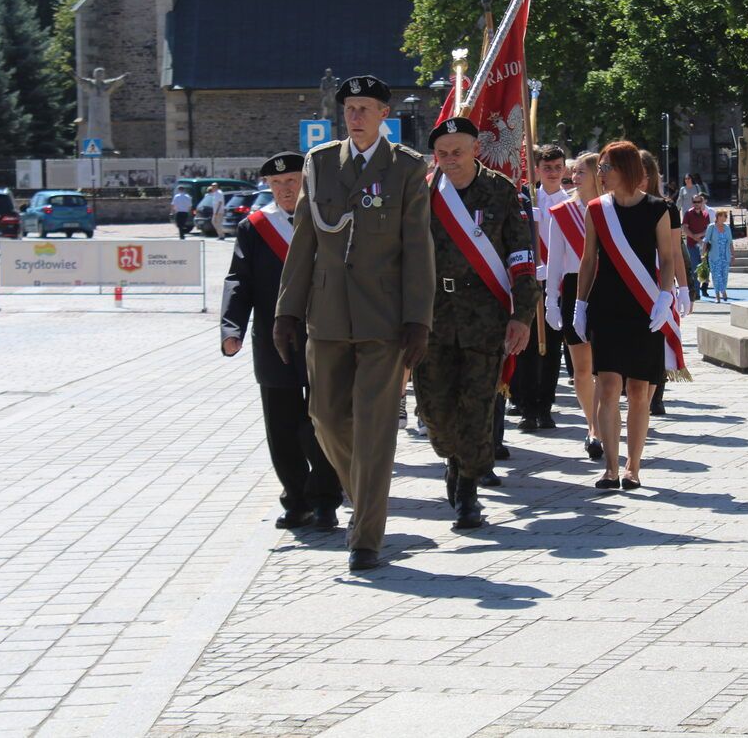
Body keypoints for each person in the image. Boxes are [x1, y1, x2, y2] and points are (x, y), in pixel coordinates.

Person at [274, 74, 436, 572]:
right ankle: (363, 495)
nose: (356, 116)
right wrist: (287, 310)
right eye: (349, 108)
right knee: (324, 417)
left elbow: (418, 248)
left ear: (385, 114)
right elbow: (304, 240)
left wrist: (418, 319)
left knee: (374, 428)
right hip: (326, 315)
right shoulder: (320, 163)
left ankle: (366, 536)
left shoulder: (406, 167)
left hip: (383, 319)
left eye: (365, 108)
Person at [414, 117, 540, 528]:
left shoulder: (501, 191)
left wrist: (522, 316)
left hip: (485, 316)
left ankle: (468, 489)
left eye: (458, 151)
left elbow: (522, 256)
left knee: (477, 405)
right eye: (442, 153)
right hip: (433, 315)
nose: (450, 159)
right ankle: (453, 458)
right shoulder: (423, 193)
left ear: (475, 150)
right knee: (434, 408)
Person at [221, 153, 342, 530]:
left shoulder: (327, 219)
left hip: (324, 335)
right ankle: (296, 499)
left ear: (306, 182)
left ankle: (325, 500)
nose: (284, 190)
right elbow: (239, 280)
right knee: (282, 426)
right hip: (275, 341)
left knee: (322, 423)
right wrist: (231, 328)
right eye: (276, 184)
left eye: (291, 181)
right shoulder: (255, 227)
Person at [576, 142, 684, 491]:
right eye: (600, 167)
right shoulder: (597, 209)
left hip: (645, 306)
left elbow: (667, 257)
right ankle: (610, 468)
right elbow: (588, 260)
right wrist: (580, 305)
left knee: (639, 390)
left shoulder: (657, 209)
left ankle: (632, 467)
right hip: (607, 306)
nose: (601, 174)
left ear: (627, 169)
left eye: (607, 167)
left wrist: (666, 295)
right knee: (608, 386)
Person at [545, 153, 604, 460]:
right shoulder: (562, 212)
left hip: (606, 290)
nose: (574, 177)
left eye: (581, 172)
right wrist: (551, 301)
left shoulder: (611, 209)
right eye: (574, 172)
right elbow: (554, 261)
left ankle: (604, 423)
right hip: (572, 289)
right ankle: (593, 426)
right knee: (581, 369)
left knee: (606, 368)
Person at [512, 143, 568, 431]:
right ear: (537, 170)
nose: (553, 173)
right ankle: (527, 407)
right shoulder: (526, 199)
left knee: (552, 347)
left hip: (556, 284)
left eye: (558, 168)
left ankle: (544, 407)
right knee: (527, 345)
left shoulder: (571, 204)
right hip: (529, 280)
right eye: (547, 168)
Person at [641, 150, 691, 417]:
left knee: (659, 335)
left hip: (659, 281)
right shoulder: (616, 206)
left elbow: (674, 252)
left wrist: (684, 289)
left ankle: (656, 393)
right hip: (631, 279)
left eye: (644, 173)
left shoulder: (667, 208)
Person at [683, 193, 713, 296]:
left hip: (703, 246)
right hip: (692, 246)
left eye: (699, 202)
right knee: (695, 268)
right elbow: (685, 228)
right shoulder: (688, 214)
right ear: (692, 203)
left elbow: (708, 229)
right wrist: (693, 237)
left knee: (705, 268)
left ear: (702, 202)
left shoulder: (706, 214)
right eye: (695, 202)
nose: (697, 204)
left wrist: (699, 236)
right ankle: (696, 292)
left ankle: (704, 289)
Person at [702, 209, 735, 302]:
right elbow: (706, 241)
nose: (725, 218)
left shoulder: (727, 228)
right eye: (723, 216)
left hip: (725, 256)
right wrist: (703, 255)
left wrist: (733, 255)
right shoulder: (712, 227)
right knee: (716, 276)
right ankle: (719, 295)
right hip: (714, 256)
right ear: (718, 217)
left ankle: (723, 290)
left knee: (724, 276)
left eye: (725, 216)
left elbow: (730, 242)